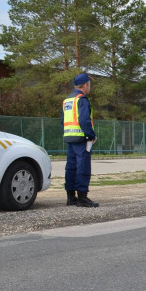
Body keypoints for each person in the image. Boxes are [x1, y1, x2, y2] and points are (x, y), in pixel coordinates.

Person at [62, 72, 99, 207]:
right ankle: (82, 197)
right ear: (85, 85)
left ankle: (71, 197)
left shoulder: (67, 101)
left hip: (69, 138)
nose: (89, 88)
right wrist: (91, 135)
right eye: (89, 85)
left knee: (70, 167)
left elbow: (63, 120)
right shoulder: (82, 100)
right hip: (81, 139)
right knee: (82, 166)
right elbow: (84, 120)